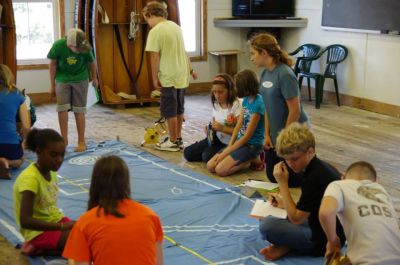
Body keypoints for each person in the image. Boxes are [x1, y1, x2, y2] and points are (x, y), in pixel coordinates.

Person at [258, 122, 345, 260]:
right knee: (269, 214)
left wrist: (282, 183)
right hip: (323, 225)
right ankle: (287, 245)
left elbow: (296, 219)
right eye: (286, 159)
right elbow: (311, 204)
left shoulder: (314, 177)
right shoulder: (319, 166)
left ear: (310, 151)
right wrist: (283, 204)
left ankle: (288, 245)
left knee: (267, 225)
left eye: (294, 159)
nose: (290, 164)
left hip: (324, 240)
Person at [63, 155, 164, 265]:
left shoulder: (85, 222)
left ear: (95, 184)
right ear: (126, 183)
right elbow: (159, 262)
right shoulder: (149, 215)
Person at [249, 33, 309, 187]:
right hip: (277, 134)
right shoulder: (264, 74)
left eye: (253, 53)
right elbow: (267, 106)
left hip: (293, 133)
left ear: (264, 53)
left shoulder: (285, 74)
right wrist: (267, 134)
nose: (251, 58)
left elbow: (294, 110)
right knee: (272, 175)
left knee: (293, 180)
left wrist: (284, 138)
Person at [319, 161, 400, 265]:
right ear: (375, 182)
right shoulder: (382, 191)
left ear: (343, 177)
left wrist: (332, 241)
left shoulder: (339, 185)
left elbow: (326, 212)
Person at [143, 1, 197, 152]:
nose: (148, 23)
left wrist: (154, 78)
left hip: (169, 75)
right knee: (179, 109)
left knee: (169, 110)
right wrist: (191, 70)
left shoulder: (155, 31)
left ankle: (172, 141)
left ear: (151, 15)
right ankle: (178, 138)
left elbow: (154, 56)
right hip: (182, 74)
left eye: (147, 19)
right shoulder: (176, 27)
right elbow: (184, 52)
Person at [13, 128, 74, 256]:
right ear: (39, 152)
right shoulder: (30, 179)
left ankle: (42, 249)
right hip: (36, 232)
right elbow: (25, 221)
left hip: (54, 221)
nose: (59, 159)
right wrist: (61, 227)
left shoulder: (52, 172)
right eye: (53, 155)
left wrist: (62, 225)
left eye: (62, 155)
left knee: (87, 233)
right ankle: (36, 246)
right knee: (78, 242)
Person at [47, 28, 98, 152]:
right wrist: (52, 85)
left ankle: (81, 141)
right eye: (78, 49)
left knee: (79, 110)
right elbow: (53, 64)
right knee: (62, 109)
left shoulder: (85, 46)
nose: (81, 51)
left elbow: (92, 62)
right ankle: (63, 141)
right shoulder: (58, 45)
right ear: (70, 45)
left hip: (80, 78)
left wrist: (95, 78)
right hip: (62, 78)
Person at [207, 69, 265, 177]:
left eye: (237, 86)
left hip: (252, 145)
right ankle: (248, 158)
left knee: (220, 170)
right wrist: (230, 146)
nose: (235, 89)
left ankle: (253, 158)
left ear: (245, 87)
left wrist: (226, 152)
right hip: (240, 141)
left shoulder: (258, 103)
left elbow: (247, 136)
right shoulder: (246, 100)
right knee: (211, 166)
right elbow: (239, 125)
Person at [183, 74, 241, 163]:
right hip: (216, 138)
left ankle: (231, 156)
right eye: (215, 92)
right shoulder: (216, 103)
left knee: (206, 156)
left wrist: (222, 128)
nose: (217, 95)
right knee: (188, 153)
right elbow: (216, 122)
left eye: (220, 92)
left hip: (230, 143)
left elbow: (241, 133)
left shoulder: (237, 105)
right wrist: (209, 128)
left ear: (230, 91)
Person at [0, 64, 30, 179]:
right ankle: (7, 161)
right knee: (19, 161)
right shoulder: (17, 94)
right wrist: (24, 143)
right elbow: (26, 126)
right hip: (10, 145)